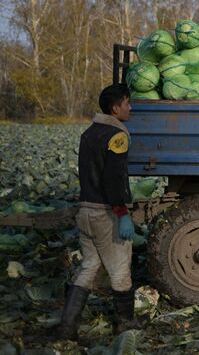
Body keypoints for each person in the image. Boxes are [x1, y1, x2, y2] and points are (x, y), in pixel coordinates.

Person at [57, 83, 138, 341]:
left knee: (89, 266)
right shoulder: (117, 136)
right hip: (105, 214)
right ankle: (125, 324)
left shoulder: (89, 133)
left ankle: (67, 328)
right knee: (120, 269)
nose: (130, 107)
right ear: (115, 108)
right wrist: (122, 213)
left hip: (85, 210)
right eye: (127, 103)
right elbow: (112, 178)